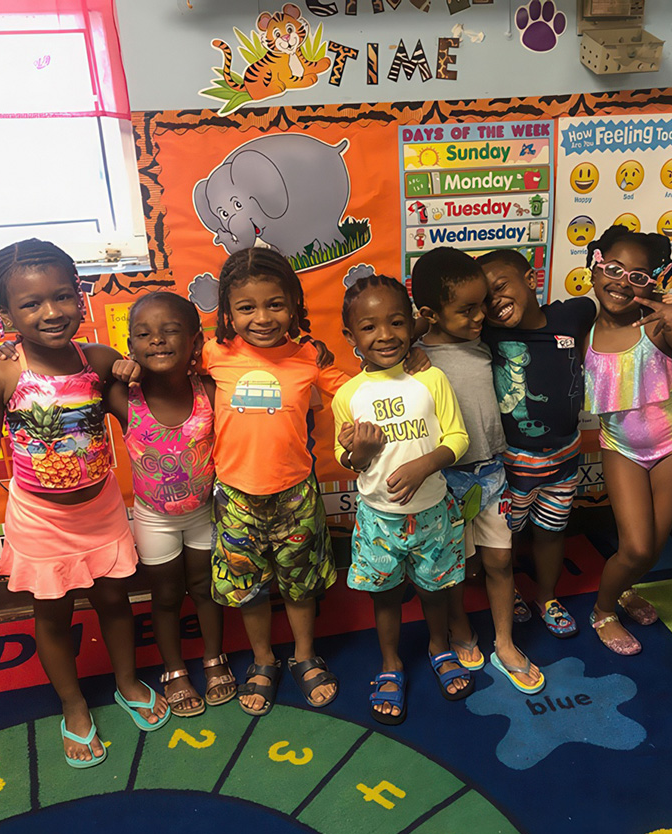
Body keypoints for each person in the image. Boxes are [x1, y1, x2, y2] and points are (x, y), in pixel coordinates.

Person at [0, 239, 170, 770]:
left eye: (61, 297)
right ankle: (74, 706)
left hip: (99, 511)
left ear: (80, 297)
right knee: (51, 617)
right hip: (39, 520)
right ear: (4, 313)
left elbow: (143, 419)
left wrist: (134, 369)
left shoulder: (97, 361)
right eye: (30, 304)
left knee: (116, 602)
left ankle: (125, 681)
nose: (50, 313)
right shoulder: (1, 375)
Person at [203, 247, 349, 716]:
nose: (262, 318)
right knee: (248, 588)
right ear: (228, 311)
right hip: (235, 498)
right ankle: (263, 659)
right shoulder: (213, 353)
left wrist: (415, 359)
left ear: (294, 304)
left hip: (296, 495)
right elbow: (157, 362)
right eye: (247, 308)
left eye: (275, 304)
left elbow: (358, 388)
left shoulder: (309, 356)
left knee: (300, 584)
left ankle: (304, 655)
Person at [332, 274, 473, 724]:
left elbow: (458, 437)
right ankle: (391, 663)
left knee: (436, 590)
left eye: (395, 322)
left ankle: (438, 647)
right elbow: (346, 459)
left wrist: (424, 465)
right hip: (379, 521)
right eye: (369, 327)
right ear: (350, 336)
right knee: (386, 596)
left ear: (413, 324)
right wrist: (362, 452)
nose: (385, 335)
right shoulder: (348, 395)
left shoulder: (431, 379)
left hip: (432, 512)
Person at [581, 226, 672, 655]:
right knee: (637, 546)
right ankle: (604, 610)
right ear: (595, 263)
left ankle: (626, 591)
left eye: (637, 276)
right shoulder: (580, 330)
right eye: (614, 268)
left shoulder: (658, 324)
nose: (622, 281)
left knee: (655, 547)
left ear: (653, 281)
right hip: (621, 448)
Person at [411, 247, 544, 694]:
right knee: (454, 566)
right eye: (465, 310)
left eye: (481, 304)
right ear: (430, 313)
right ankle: (461, 629)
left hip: (492, 472)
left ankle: (505, 644)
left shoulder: (487, 340)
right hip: (443, 480)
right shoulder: (413, 356)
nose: (478, 316)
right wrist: (413, 339)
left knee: (500, 560)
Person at [107, 292, 235, 716]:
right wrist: (10, 349)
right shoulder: (124, 397)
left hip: (203, 514)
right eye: (144, 334)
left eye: (170, 331)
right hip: (153, 519)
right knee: (164, 596)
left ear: (196, 341)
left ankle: (213, 658)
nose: (157, 341)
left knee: (204, 588)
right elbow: (73, 365)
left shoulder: (210, 389)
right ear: (131, 347)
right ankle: (175, 668)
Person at [477, 248, 597, 638]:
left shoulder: (570, 316)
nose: (494, 301)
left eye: (500, 287)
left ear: (530, 279)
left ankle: (547, 596)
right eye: (485, 297)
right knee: (503, 538)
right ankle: (507, 591)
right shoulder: (486, 334)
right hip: (510, 465)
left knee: (551, 531)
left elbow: (592, 307)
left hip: (564, 458)